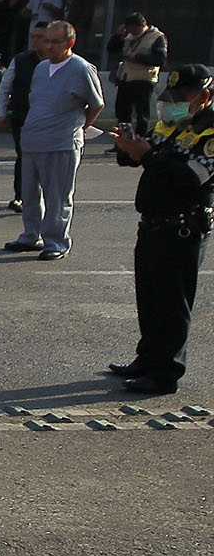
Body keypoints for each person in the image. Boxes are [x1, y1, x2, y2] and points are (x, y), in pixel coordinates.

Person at [107, 64, 214, 396]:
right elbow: (142, 156)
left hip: (182, 227)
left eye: (180, 98)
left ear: (204, 97)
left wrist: (147, 155)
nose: (171, 105)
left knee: (172, 304)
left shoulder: (209, 132)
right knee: (150, 299)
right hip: (152, 224)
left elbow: (189, 177)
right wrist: (129, 148)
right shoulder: (173, 125)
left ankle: (165, 372)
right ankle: (148, 358)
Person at [3, 20, 103, 261]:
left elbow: (97, 103)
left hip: (61, 142)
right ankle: (31, 235)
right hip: (33, 139)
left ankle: (57, 241)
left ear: (70, 43)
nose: (48, 46)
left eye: (54, 42)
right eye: (45, 40)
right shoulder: (41, 68)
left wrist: (82, 126)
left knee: (57, 195)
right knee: (30, 193)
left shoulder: (81, 68)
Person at [0, 22, 48, 213]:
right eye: (33, 36)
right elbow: (5, 87)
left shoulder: (57, 62)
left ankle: (43, 195)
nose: (35, 41)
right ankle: (21, 196)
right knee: (25, 156)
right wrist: (1, 113)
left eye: (40, 37)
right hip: (22, 117)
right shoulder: (21, 59)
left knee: (45, 159)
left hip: (48, 120)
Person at [108, 14, 167, 137]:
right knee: (123, 113)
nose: (132, 32)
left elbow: (160, 59)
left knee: (142, 114)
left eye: (135, 29)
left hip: (144, 80)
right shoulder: (128, 36)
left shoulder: (156, 37)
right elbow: (112, 50)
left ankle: (141, 139)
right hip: (126, 78)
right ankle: (124, 141)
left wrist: (138, 58)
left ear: (143, 25)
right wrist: (117, 36)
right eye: (130, 29)